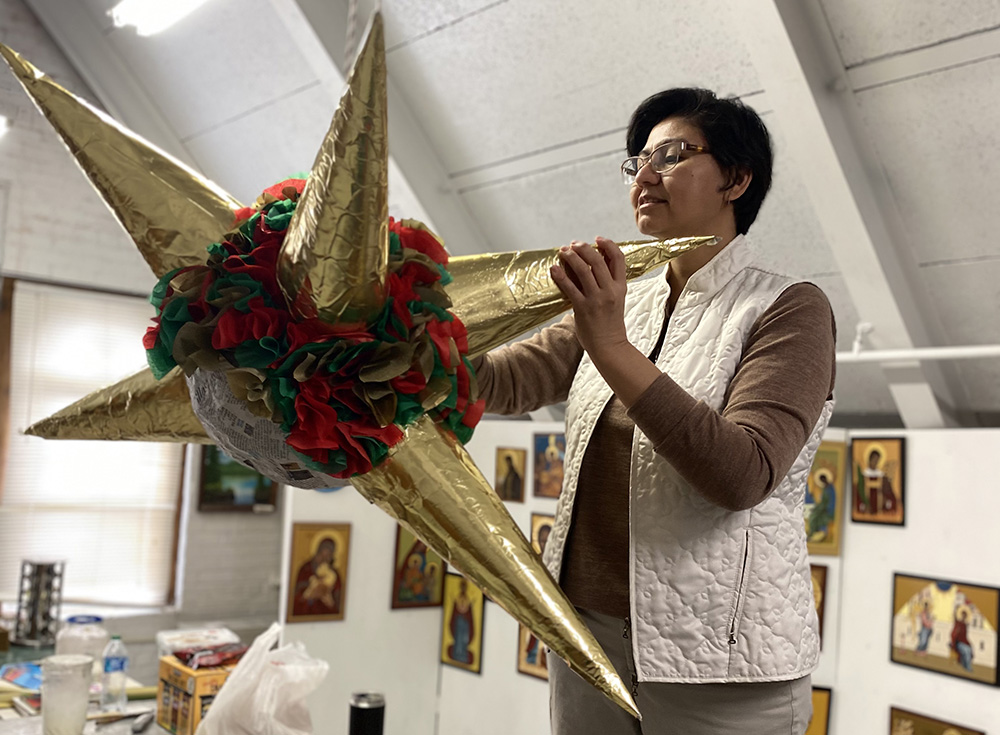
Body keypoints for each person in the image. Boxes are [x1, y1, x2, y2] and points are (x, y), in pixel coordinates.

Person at [473, 88, 836, 734]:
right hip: (587, 639)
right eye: (636, 161)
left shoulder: (788, 309)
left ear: (737, 178)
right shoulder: (626, 301)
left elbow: (743, 472)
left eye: (671, 155)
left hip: (720, 667)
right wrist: (414, 335)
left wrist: (609, 344)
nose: (643, 177)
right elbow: (503, 381)